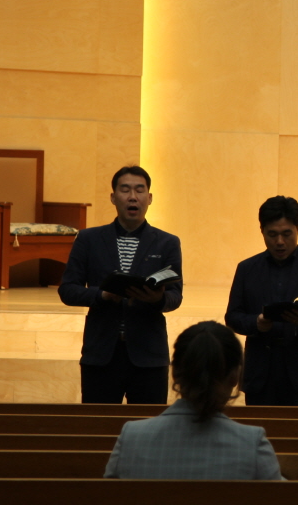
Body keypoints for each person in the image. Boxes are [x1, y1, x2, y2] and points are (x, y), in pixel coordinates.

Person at [59, 166, 183, 404]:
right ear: (113, 197)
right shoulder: (88, 239)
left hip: (149, 356)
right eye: (125, 190)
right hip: (101, 354)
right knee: (99, 424)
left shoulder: (167, 243)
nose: (132, 197)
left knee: (149, 424)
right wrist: (101, 295)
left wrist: (157, 299)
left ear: (150, 198)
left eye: (139, 190)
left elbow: (175, 296)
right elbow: (67, 290)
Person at [104, 321, 282, 480]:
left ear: (175, 373)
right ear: (235, 376)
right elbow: (282, 500)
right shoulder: (252, 443)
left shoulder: (131, 437)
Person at [223, 196, 298, 407]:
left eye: (287, 234)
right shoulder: (247, 269)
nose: (280, 242)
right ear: (262, 231)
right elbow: (233, 316)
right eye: (272, 234)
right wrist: (256, 323)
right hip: (260, 369)